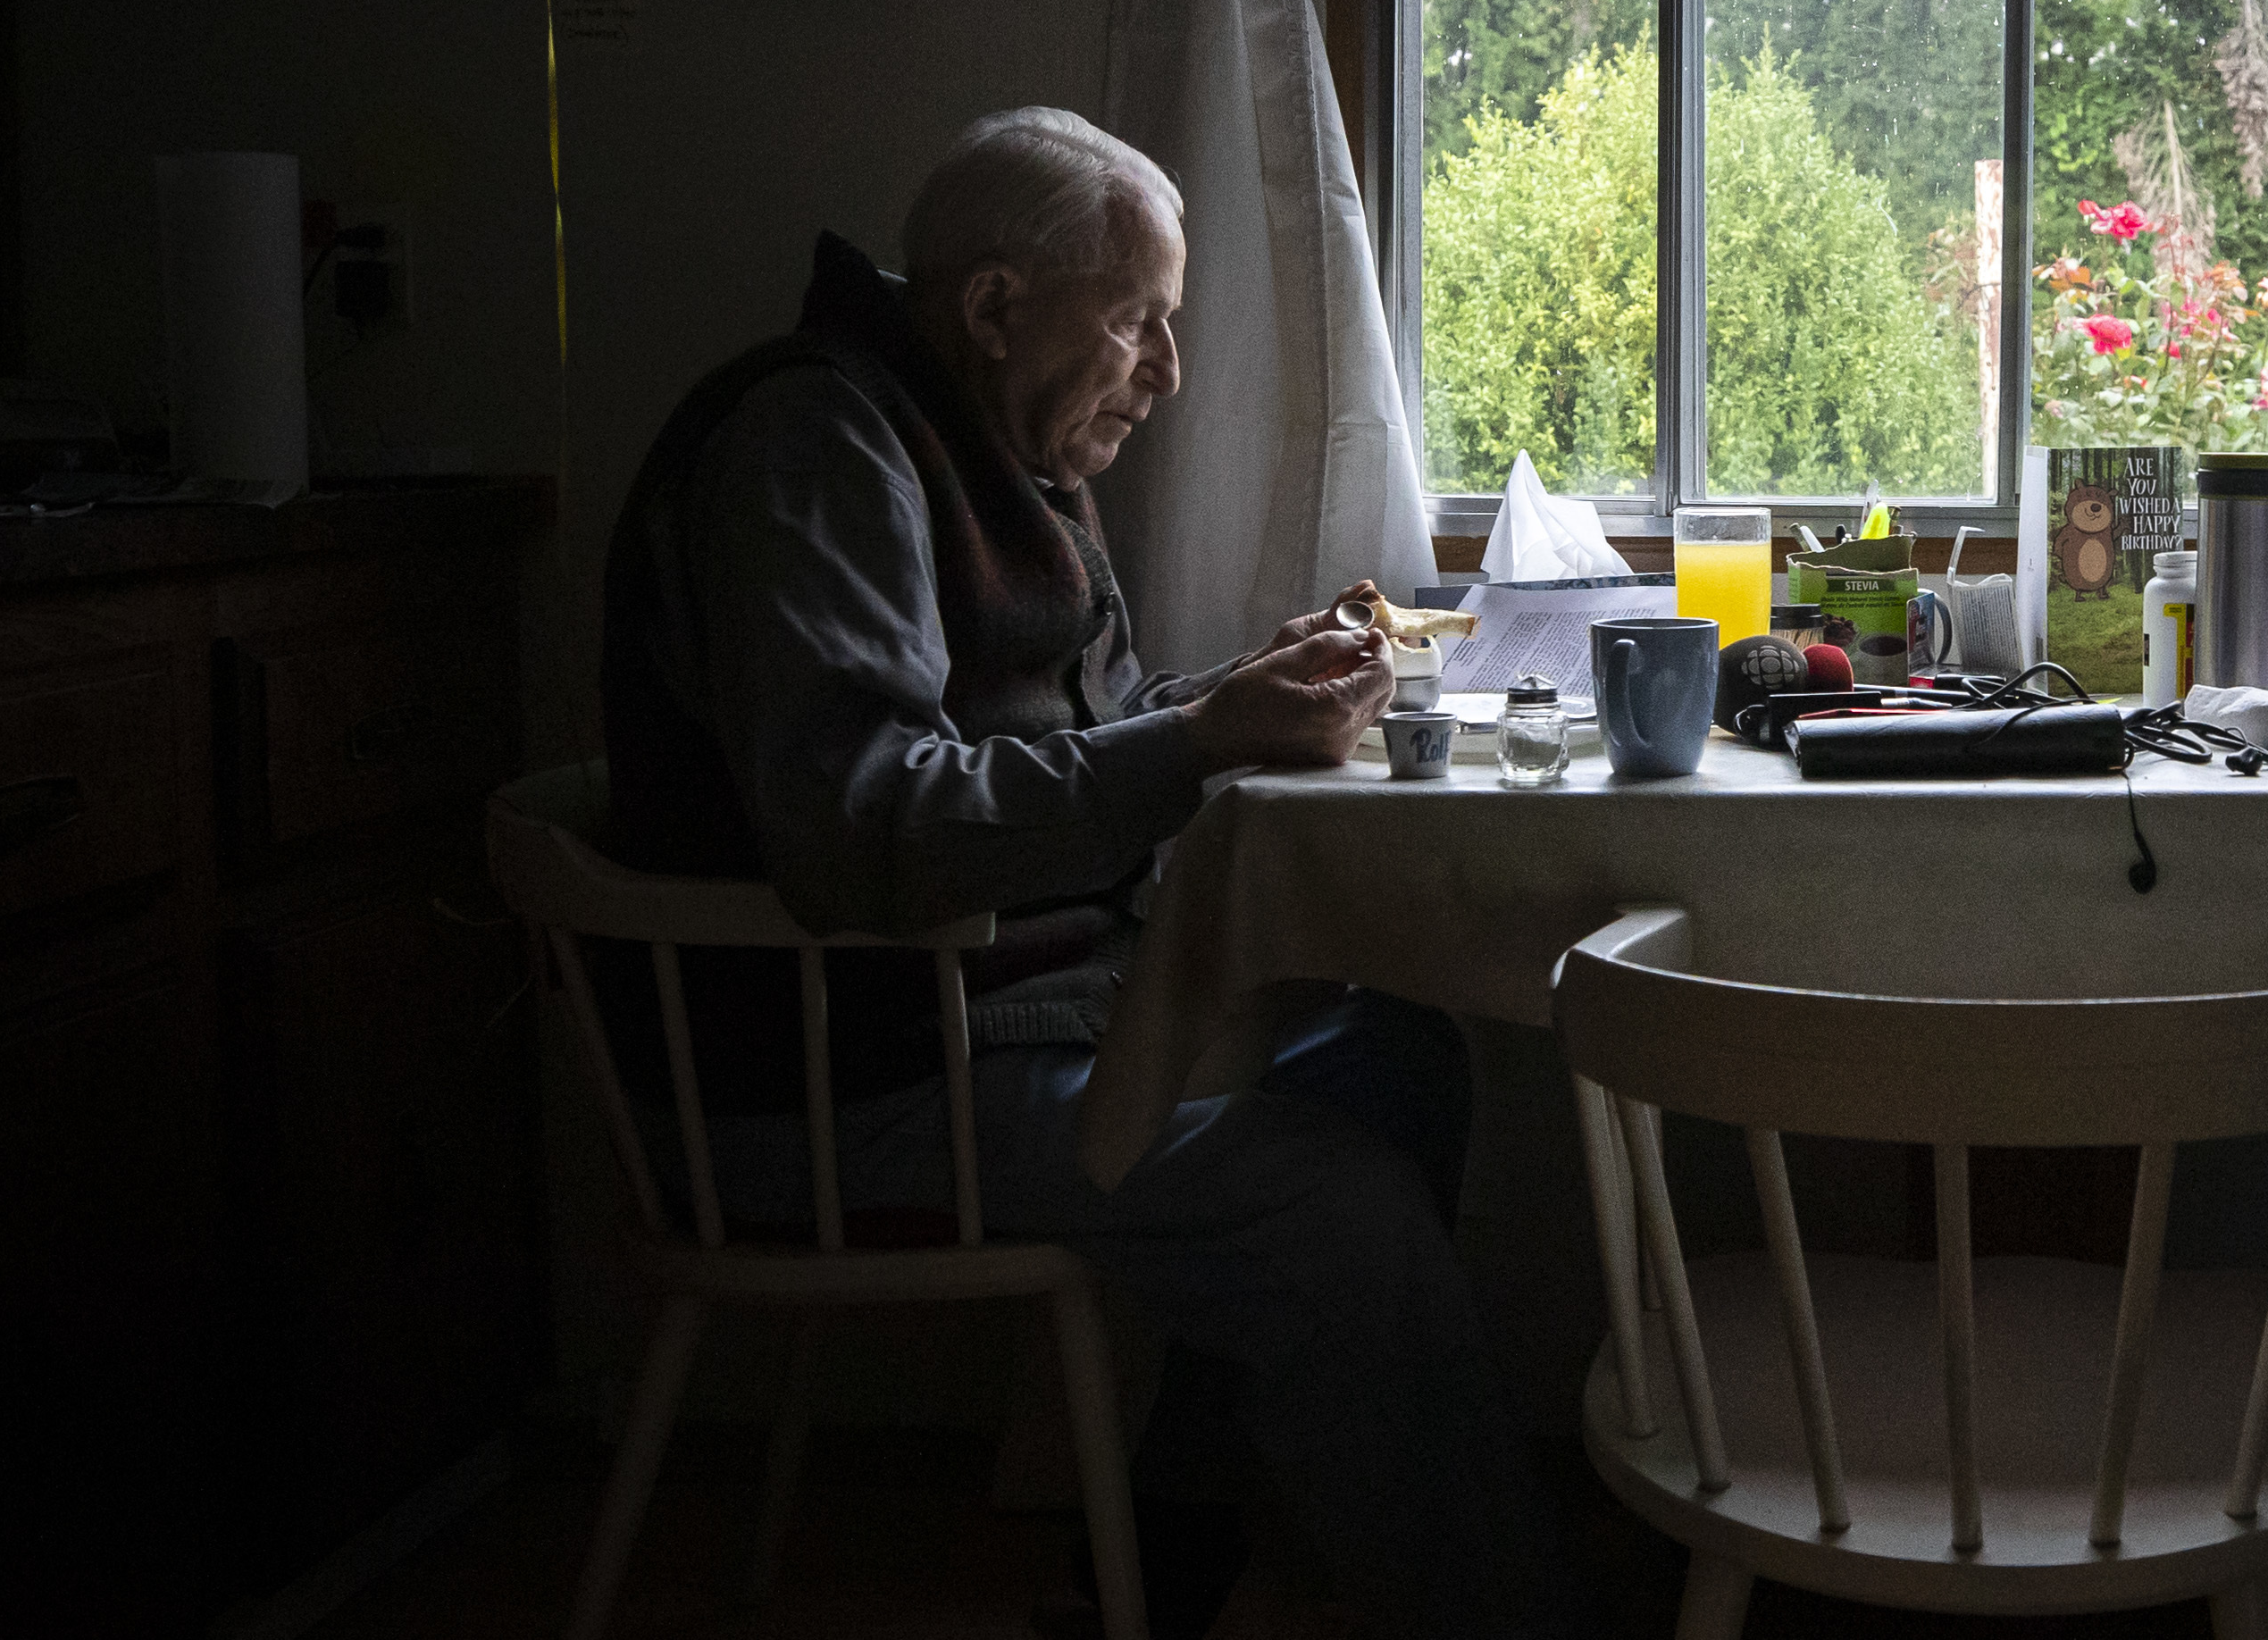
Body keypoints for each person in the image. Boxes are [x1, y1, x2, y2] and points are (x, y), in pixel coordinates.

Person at [598, 108, 1572, 1638]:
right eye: (1139, 322)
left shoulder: (997, 450)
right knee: (1341, 1218)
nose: (1166, 372)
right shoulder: (821, 443)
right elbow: (868, 829)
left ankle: (1173, 1557)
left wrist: (1238, 688)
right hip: (848, 1076)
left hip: (1000, 1018)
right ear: (994, 308)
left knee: (1396, 1056)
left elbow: (1089, 735)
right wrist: (1199, 741)